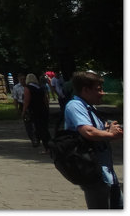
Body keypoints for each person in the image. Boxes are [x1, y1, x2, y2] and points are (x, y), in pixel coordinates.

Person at [63, 70, 123, 209]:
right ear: (85, 90)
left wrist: (110, 129)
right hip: (93, 172)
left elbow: (96, 129)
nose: (102, 93)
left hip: (105, 170)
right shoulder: (75, 106)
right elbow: (88, 131)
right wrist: (111, 135)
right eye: (99, 89)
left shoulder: (89, 106)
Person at [24, 73, 52, 152]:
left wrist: (24, 111)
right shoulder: (40, 87)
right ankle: (49, 145)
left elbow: (26, 101)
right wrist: (47, 109)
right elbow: (45, 100)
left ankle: (47, 147)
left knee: (40, 129)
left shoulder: (28, 88)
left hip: (35, 110)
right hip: (43, 109)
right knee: (45, 128)